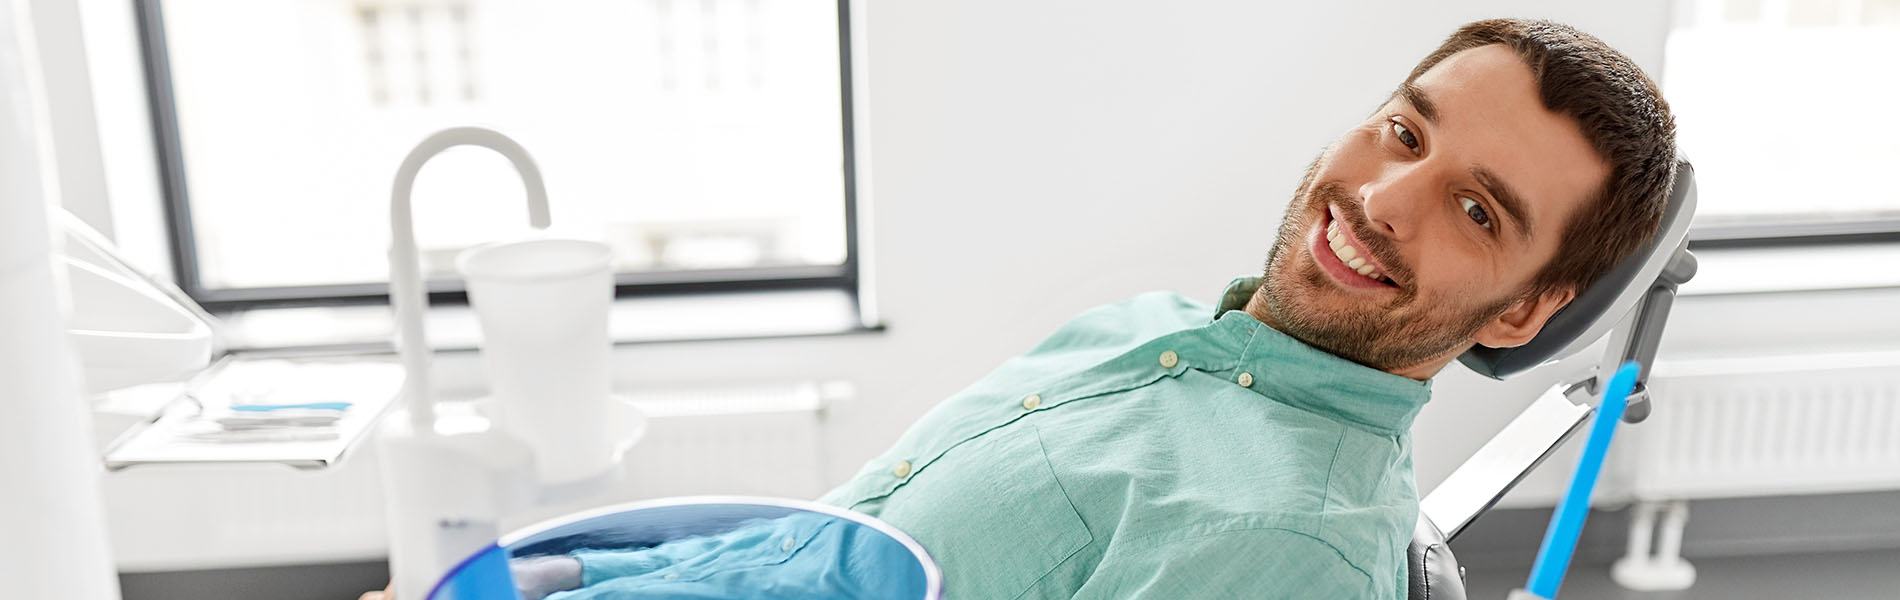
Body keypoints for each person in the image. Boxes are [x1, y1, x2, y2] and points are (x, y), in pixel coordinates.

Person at [366, 17, 1677, 600]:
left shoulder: (1281, 549)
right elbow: (828, 548)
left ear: (1520, 314)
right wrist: (541, 579)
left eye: (1478, 212)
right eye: (1404, 130)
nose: (1385, 197)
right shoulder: (1153, 340)